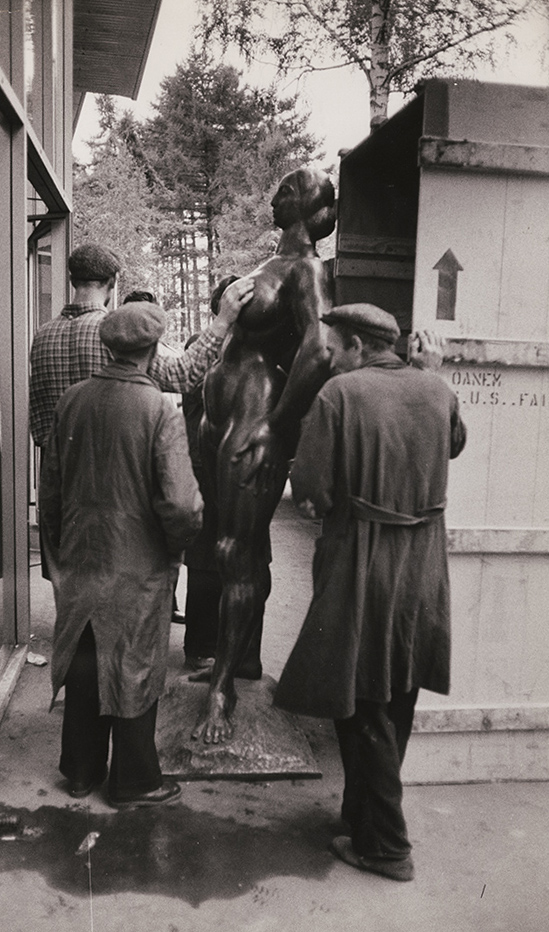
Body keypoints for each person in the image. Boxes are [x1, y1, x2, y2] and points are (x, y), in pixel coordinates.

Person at [273, 304, 467, 881]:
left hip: (363, 560)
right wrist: (435, 373)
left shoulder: (339, 395)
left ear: (357, 345)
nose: (329, 356)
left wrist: (336, 512)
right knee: (397, 687)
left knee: (358, 698)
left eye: (335, 346)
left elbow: (308, 491)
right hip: (424, 563)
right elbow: (453, 443)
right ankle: (361, 817)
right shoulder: (435, 389)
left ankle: (387, 847)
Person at [191, 168, 336, 744]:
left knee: (234, 551)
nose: (272, 196)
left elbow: (320, 348)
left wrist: (276, 427)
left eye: (285, 190)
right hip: (220, 421)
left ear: (306, 207)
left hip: (253, 421)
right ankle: (242, 660)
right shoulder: (265, 266)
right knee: (233, 548)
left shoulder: (307, 270)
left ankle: (223, 689)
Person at [40, 302, 203, 807]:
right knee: (135, 661)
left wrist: (57, 557)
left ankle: (82, 771)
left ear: (108, 347)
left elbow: (51, 490)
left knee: (88, 654)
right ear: (153, 352)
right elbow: (181, 502)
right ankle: (135, 781)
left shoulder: (72, 400)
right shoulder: (159, 410)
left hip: (83, 555)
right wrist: (177, 545)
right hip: (138, 563)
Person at [29, 242, 253, 580]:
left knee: (75, 601)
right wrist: (222, 322)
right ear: (112, 282)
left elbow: (41, 426)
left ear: (73, 279)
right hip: (116, 493)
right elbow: (183, 375)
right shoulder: (117, 335)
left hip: (61, 493)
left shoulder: (42, 337)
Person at [181, 276, 239, 671]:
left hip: (229, 464)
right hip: (206, 462)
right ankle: (201, 645)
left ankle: (224, 643)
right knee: (205, 558)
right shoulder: (205, 346)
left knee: (228, 556)